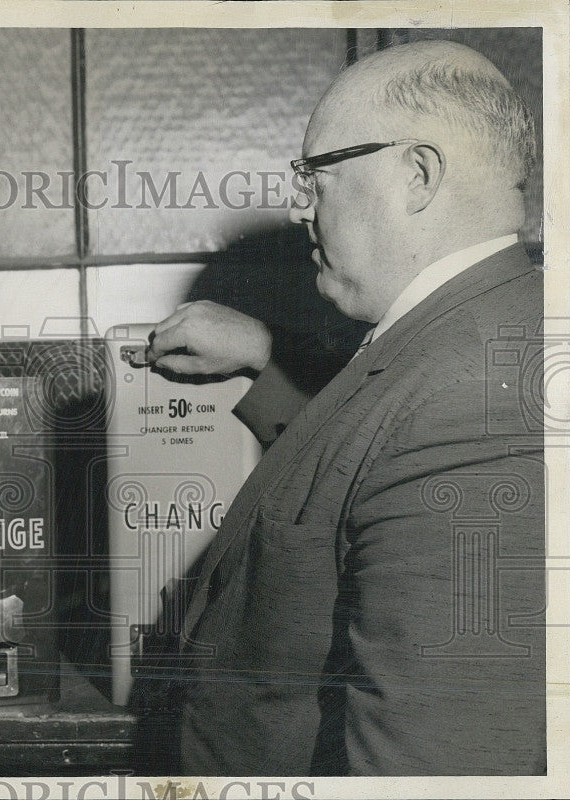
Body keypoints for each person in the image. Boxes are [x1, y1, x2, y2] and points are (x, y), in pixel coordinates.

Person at [147, 41, 545, 775]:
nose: (301, 206)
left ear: (416, 175)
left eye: (316, 174)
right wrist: (267, 353)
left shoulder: (477, 411)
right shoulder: (459, 336)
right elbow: (354, 481)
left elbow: (429, 769)